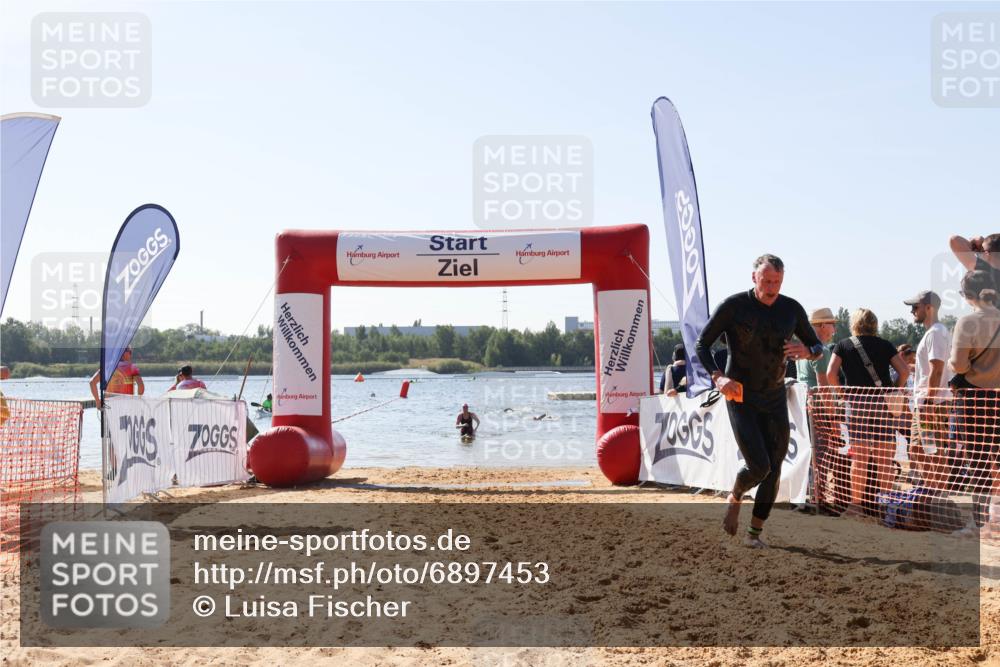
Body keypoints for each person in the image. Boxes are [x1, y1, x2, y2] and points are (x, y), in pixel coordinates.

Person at [695, 254, 824, 547]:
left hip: (775, 395)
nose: (771, 287)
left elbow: (817, 345)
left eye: (777, 282)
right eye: (766, 281)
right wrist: (717, 377)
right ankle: (736, 495)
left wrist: (807, 350)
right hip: (740, 394)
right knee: (759, 465)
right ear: (754, 278)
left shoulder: (791, 309)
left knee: (775, 466)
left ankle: (754, 533)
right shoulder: (734, 306)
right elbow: (702, 344)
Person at [826, 308, 909, 517]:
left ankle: (856, 506)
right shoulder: (885, 345)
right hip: (882, 404)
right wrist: (895, 390)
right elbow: (905, 371)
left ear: (854, 324)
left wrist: (841, 395)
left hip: (857, 404)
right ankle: (887, 506)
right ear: (874, 324)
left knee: (859, 458)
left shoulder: (843, 345)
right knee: (884, 459)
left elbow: (830, 374)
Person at [949, 270, 1000, 532]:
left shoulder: (968, 321)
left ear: (967, 295)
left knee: (978, 462)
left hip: (974, 398)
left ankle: (977, 522)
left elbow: (958, 364)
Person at [906, 290, 952, 490]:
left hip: (931, 402)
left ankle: (936, 492)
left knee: (923, 448)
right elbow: (932, 369)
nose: (912, 311)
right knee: (926, 448)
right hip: (931, 400)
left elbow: (937, 368)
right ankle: (935, 491)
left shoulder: (935, 332)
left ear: (929, 307)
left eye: (915, 307)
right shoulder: (935, 332)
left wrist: (930, 402)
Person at [796, 308, 838, 388]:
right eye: (833, 325)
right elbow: (824, 390)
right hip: (818, 400)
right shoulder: (823, 352)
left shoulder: (803, 349)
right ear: (823, 326)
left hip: (803, 399)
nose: (835, 330)